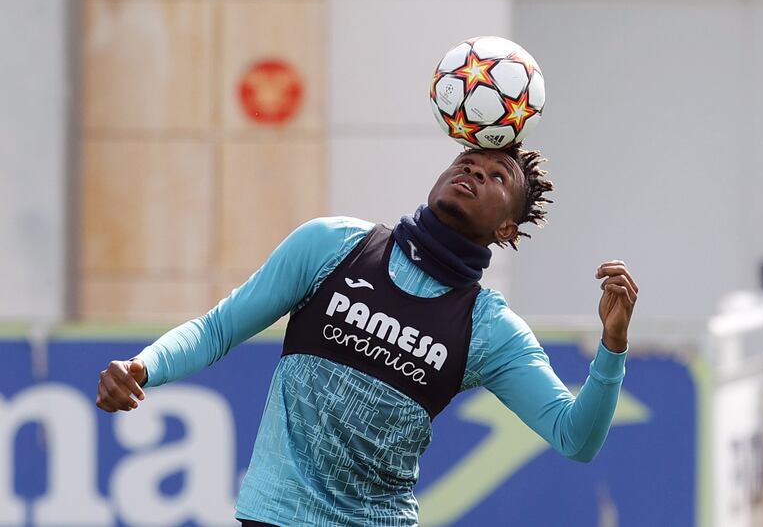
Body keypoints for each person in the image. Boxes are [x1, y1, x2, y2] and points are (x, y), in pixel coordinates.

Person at [96, 144, 638, 527]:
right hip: (272, 518)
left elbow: (577, 438)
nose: (474, 172)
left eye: (498, 177)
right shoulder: (331, 244)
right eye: (466, 162)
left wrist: (612, 345)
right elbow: (216, 329)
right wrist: (146, 366)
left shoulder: (490, 329)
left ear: (506, 230)